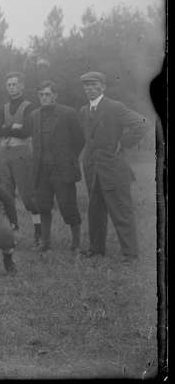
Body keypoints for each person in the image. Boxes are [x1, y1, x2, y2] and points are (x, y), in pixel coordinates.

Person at [77, 71, 149, 263]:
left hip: (113, 167)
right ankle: (96, 248)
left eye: (94, 85)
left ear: (103, 87)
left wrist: (123, 142)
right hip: (93, 168)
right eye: (86, 86)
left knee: (121, 210)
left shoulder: (114, 107)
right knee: (95, 210)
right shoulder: (84, 111)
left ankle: (130, 253)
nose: (90, 89)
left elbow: (142, 124)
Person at [29, 80, 85, 252]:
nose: (44, 97)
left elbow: (79, 140)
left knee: (68, 207)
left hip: (62, 170)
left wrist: (67, 158)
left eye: (47, 94)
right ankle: (46, 243)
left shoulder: (68, 113)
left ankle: (76, 244)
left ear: (55, 95)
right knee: (43, 206)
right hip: (41, 170)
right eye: (41, 94)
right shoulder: (34, 115)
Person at [0, 72, 42, 248]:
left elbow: (27, 131)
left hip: (22, 152)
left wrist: (6, 128)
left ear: (22, 86)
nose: (12, 87)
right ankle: (12, 231)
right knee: (5, 194)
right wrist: (13, 127)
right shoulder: (3, 108)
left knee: (28, 195)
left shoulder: (29, 106)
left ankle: (38, 231)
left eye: (15, 84)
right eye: (9, 84)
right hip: (4, 153)